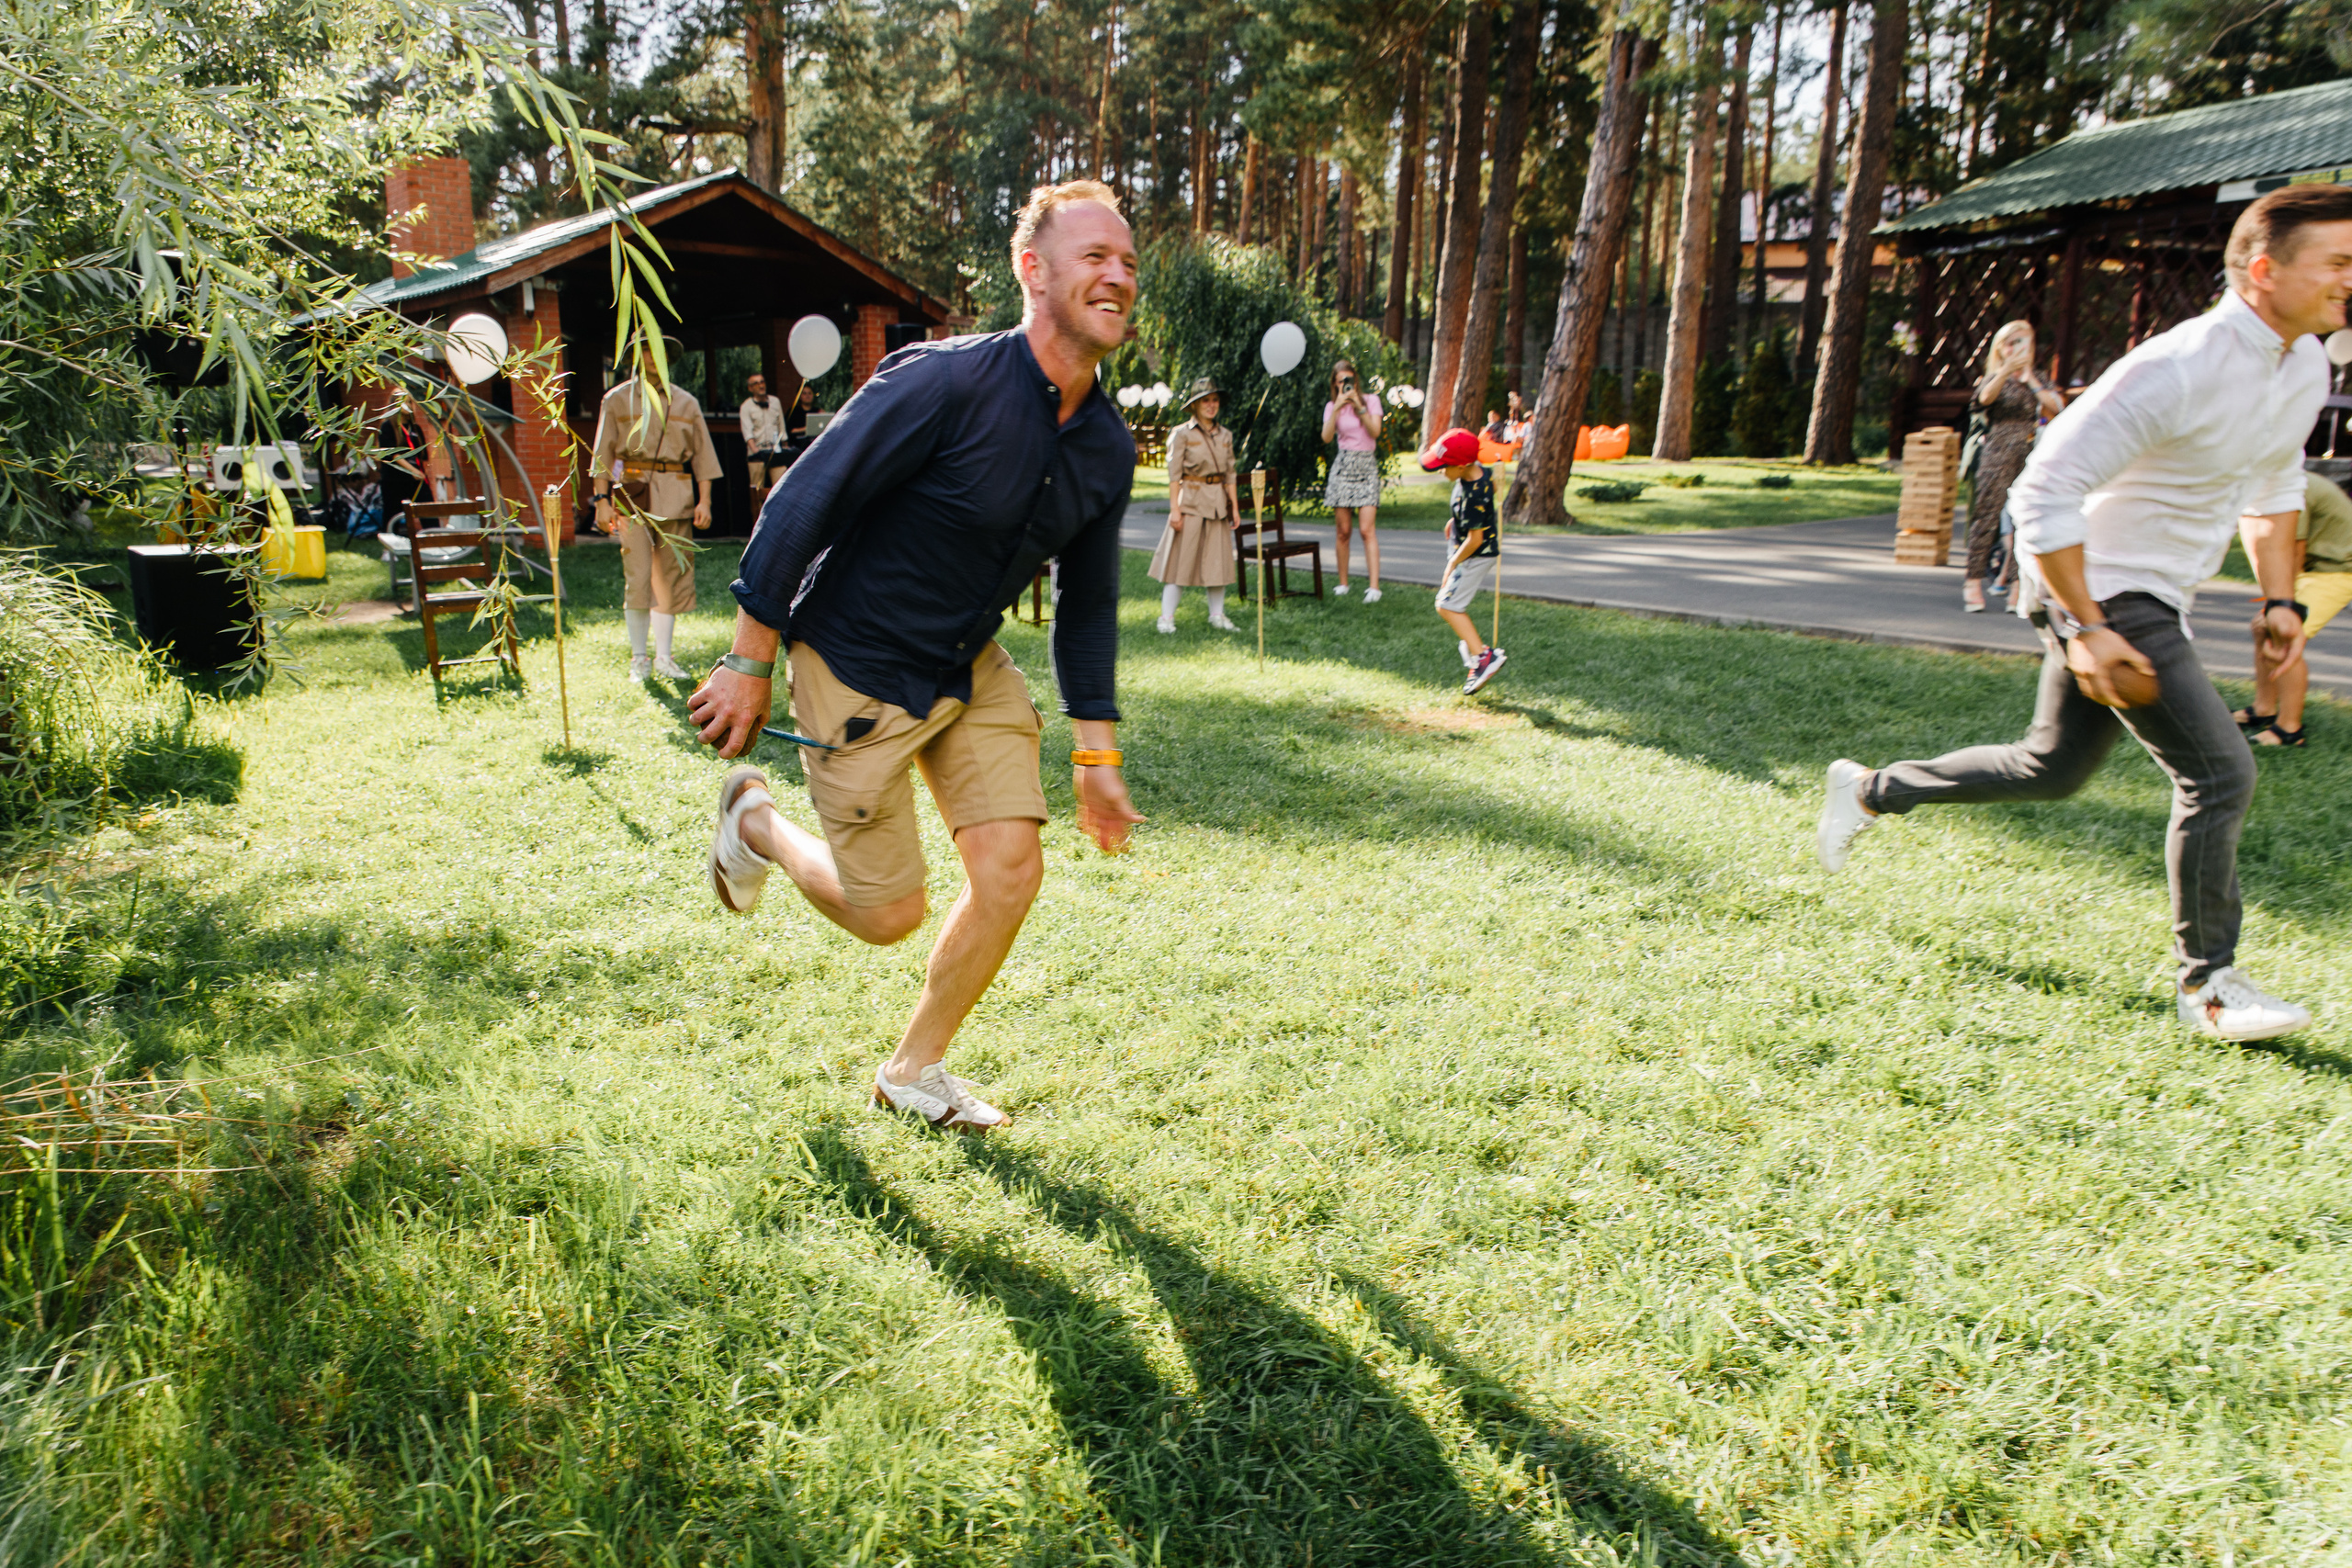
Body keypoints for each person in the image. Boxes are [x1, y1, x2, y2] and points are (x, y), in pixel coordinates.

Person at [1816, 183, 2352, 1044]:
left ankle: (1871, 789)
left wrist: (2281, 598)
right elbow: (2043, 490)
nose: (2350, 280)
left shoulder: (2304, 364)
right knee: (2220, 773)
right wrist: (2083, 625)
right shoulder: (2175, 366)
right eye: (2339, 262)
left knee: (2050, 767)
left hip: (2152, 594)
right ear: (2263, 271)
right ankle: (2210, 986)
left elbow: (2275, 485)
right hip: (2098, 584)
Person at [685, 179, 1145, 1134]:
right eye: (1095, 257)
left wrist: (1097, 759)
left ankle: (913, 1069)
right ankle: (757, 824)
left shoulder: (1105, 444)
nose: (1117, 276)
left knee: (1013, 869)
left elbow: (1088, 605)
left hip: (966, 667)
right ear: (1034, 270)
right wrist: (747, 658)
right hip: (856, 665)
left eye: (1128, 263)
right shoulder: (941, 382)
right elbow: (803, 503)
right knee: (885, 912)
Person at [591, 344, 721, 680]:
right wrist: (601, 500)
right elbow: (602, 453)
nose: (653, 356)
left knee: (671, 578)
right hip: (633, 494)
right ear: (636, 356)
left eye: (660, 351)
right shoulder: (616, 399)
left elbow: (704, 457)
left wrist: (704, 501)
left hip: (676, 494)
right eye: (646, 350)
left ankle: (664, 656)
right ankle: (639, 659)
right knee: (637, 576)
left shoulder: (687, 402)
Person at [2238, 470, 2352, 748]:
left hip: (2337, 570)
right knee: (2262, 628)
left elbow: (2292, 552)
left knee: (2283, 635)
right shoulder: (2265, 482)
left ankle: (2289, 730)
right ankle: (2264, 708)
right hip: (2320, 568)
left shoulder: (2287, 488)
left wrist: (2282, 605)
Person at [1963, 321, 2063, 613]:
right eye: (2011, 342)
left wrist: (2030, 378)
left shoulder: (2039, 378)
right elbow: (1984, 399)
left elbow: (2056, 407)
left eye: (2023, 342)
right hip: (1997, 453)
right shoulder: (1993, 377)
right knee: (1987, 517)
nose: (2017, 348)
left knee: (2024, 520)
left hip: (2030, 454)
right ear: (2000, 348)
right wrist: (2006, 370)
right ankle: (1972, 581)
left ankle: (2018, 586)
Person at [1148, 378, 1240, 633]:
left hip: (1218, 505)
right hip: (1190, 502)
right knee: (1180, 562)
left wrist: (1234, 507)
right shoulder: (1182, 434)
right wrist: (1174, 510)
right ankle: (1166, 618)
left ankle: (1217, 615)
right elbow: (1174, 475)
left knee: (1218, 562)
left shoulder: (1226, 435)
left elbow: (1230, 473)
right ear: (1195, 405)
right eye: (1205, 401)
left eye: (1214, 400)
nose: (1211, 405)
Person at [1423, 426, 1506, 694]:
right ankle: (1477, 652)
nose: (1440, 470)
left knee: (1447, 605)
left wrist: (1453, 563)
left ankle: (1484, 656)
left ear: (1461, 466)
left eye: (1443, 466)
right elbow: (1480, 505)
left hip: (1474, 556)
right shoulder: (1475, 471)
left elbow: (1476, 539)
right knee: (1448, 603)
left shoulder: (1473, 494)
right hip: (1468, 549)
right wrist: (1455, 522)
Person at [1319, 358, 1384, 600]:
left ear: (1356, 380)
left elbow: (1375, 432)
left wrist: (1360, 407)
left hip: (1366, 465)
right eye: (1340, 382)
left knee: (1367, 529)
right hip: (1343, 465)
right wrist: (1337, 407)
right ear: (1334, 385)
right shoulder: (1331, 406)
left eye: (1349, 380)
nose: (1345, 385)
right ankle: (1343, 583)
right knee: (1343, 531)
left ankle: (1374, 587)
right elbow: (1326, 437)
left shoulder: (1371, 401)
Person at [741, 372, 789, 504]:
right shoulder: (746, 407)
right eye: (756, 383)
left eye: (762, 382)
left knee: (782, 488)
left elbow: (781, 427)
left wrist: (784, 448)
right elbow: (748, 433)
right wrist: (756, 452)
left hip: (775, 451)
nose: (761, 385)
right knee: (757, 491)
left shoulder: (775, 402)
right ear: (750, 388)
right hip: (757, 452)